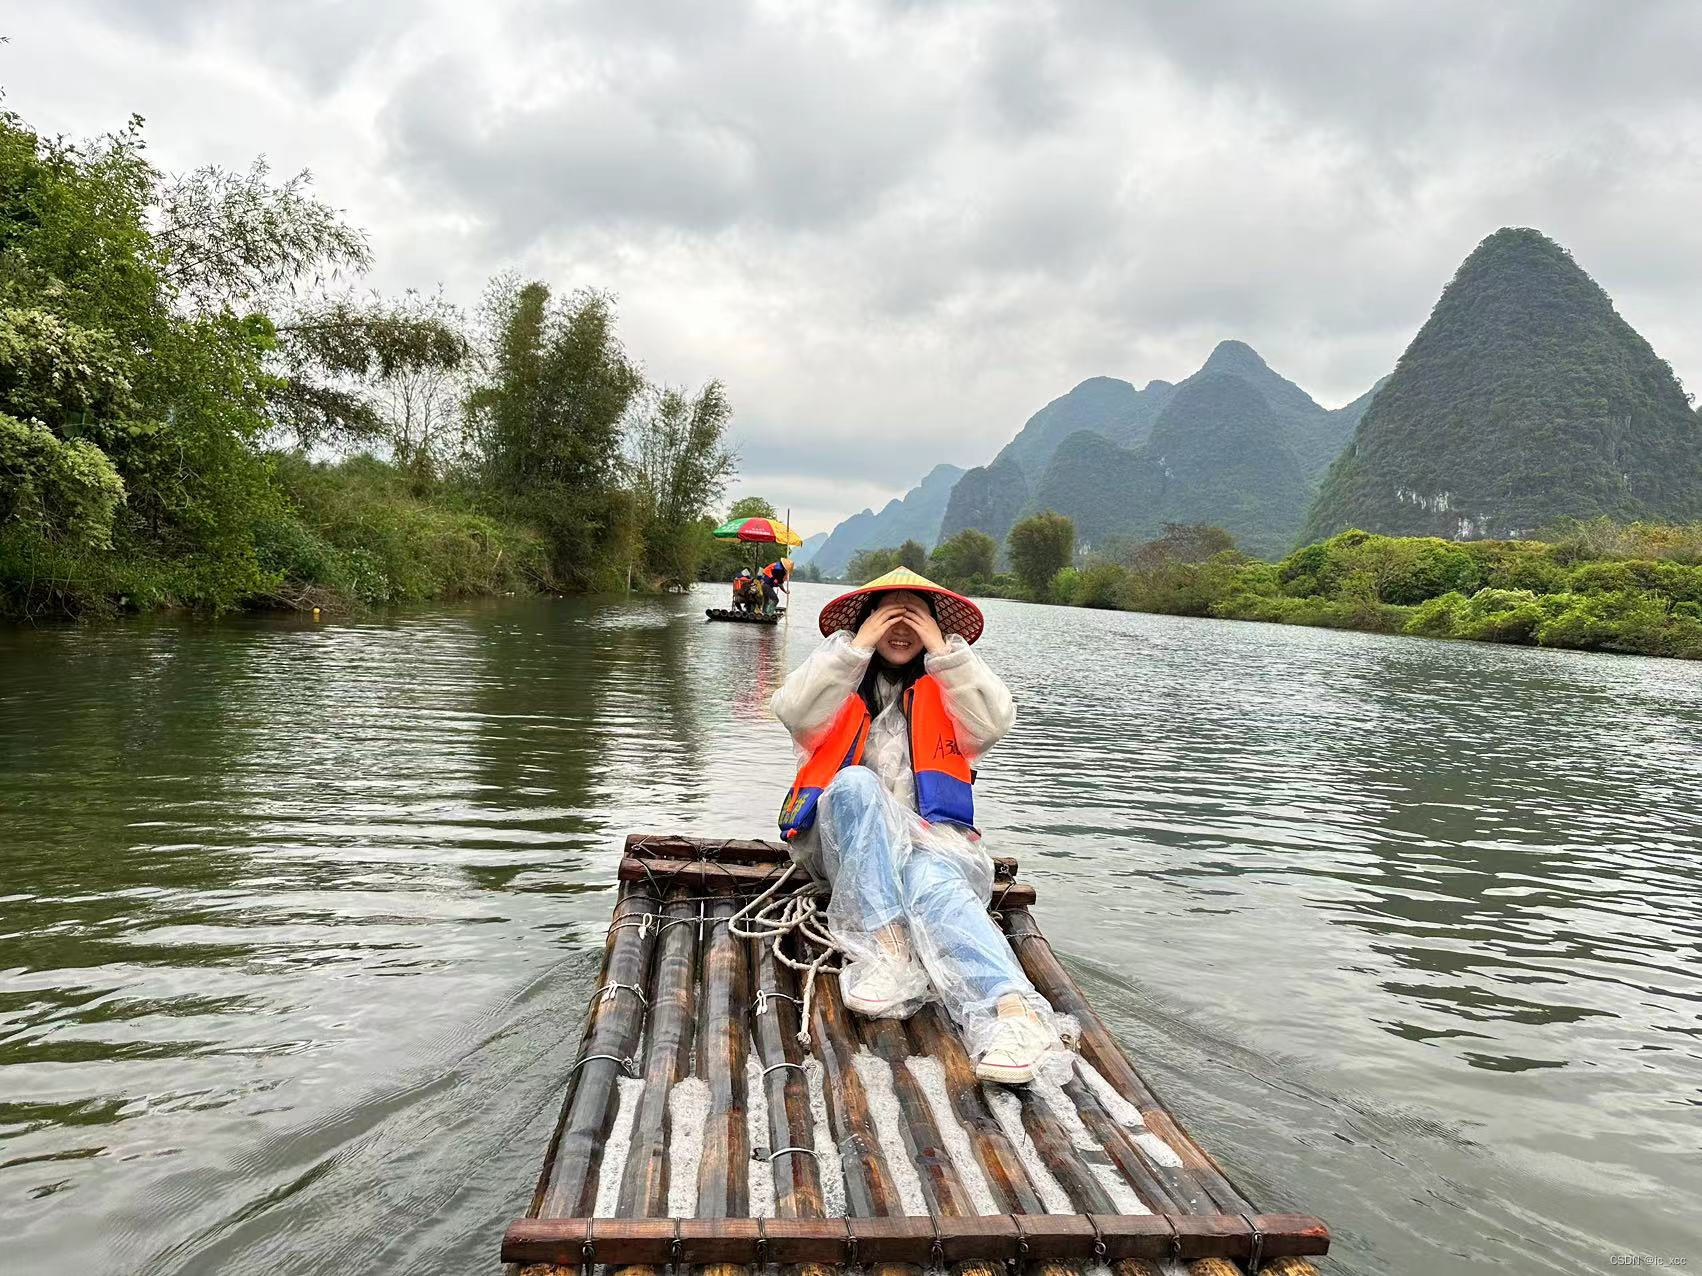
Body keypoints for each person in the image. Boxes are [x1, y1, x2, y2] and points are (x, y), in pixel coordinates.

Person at [769, 567, 1066, 1084]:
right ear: (867, 621)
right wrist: (858, 646)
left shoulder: (949, 689)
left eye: (916, 616)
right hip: (843, 852)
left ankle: (1015, 1015)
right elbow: (793, 711)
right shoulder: (838, 679)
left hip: (930, 846)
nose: (901, 628)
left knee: (932, 882)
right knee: (856, 784)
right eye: (890, 615)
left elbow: (996, 721)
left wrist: (944, 651)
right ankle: (889, 950)